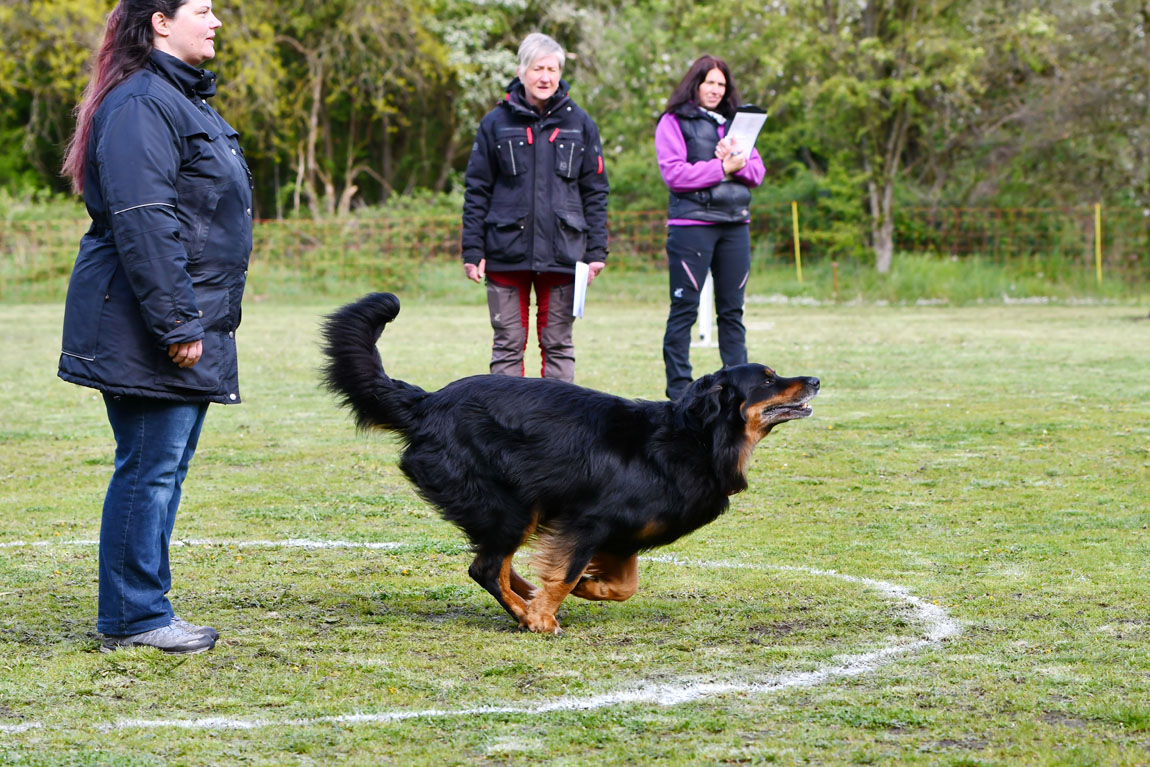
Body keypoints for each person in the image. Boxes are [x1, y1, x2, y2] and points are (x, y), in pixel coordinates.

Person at [58, 0, 252, 654]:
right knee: (149, 467)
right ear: (160, 21)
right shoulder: (143, 104)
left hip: (180, 318)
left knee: (159, 466)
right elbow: (146, 218)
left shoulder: (179, 99)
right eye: (202, 8)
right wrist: (175, 320)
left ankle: (138, 607)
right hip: (150, 324)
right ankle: (135, 616)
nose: (217, 20)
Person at [461, 32, 609, 382]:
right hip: (504, 251)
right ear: (521, 71)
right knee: (507, 345)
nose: (545, 76)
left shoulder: (581, 123)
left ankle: (558, 430)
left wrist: (596, 251)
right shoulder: (494, 123)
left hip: (564, 253)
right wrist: (472, 249)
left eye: (552, 69)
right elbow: (477, 190)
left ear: (560, 73)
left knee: (558, 344)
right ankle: (505, 430)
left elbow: (596, 191)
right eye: (537, 68)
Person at [655, 55, 765, 400]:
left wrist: (736, 162)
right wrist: (721, 166)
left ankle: (741, 395)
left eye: (721, 84)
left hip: (735, 226)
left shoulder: (737, 126)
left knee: (732, 312)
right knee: (684, 309)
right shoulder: (673, 121)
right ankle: (679, 393)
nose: (716, 90)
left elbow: (757, 173)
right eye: (710, 83)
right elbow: (674, 174)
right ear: (695, 84)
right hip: (692, 227)